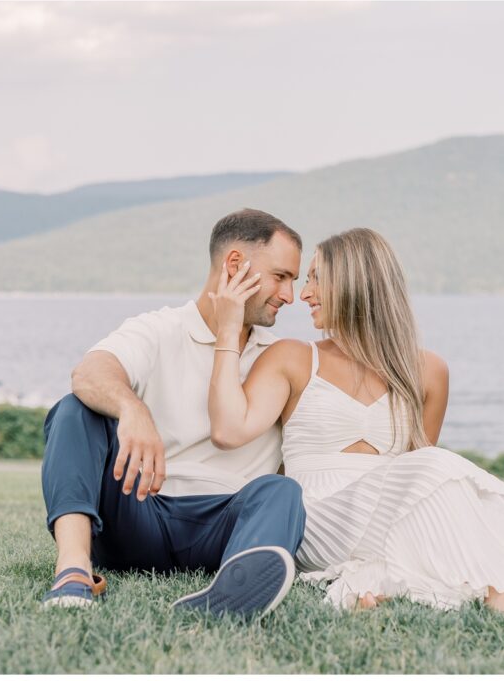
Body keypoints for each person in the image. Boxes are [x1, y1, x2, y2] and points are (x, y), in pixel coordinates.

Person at [207, 227, 504, 613]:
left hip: (391, 512)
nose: (304, 294)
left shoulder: (427, 370)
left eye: (315, 279)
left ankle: (486, 591)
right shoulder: (292, 358)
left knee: (434, 471)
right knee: (434, 465)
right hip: (318, 518)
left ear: (355, 284)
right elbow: (228, 429)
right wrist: (228, 327)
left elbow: (422, 482)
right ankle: (493, 592)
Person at [39, 208, 307, 618]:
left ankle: (237, 590)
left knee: (281, 491)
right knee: (74, 410)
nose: (290, 295)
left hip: (227, 525)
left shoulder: (280, 358)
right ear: (235, 264)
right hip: (142, 511)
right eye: (281, 276)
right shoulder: (159, 329)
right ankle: (73, 571)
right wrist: (133, 408)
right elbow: (89, 373)